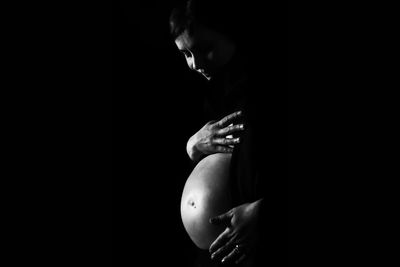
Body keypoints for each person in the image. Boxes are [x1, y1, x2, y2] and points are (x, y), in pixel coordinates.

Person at [170, 0, 268, 266]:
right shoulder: (209, 92)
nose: (195, 63)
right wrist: (192, 147)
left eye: (205, 49)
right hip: (217, 251)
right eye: (186, 53)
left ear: (230, 33)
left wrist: (263, 213)